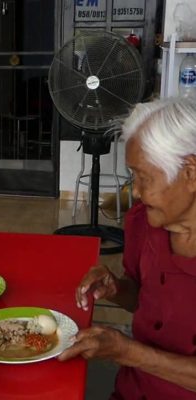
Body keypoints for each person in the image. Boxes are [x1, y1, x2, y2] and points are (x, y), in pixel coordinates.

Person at [58, 97, 196, 399]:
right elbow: (143, 299)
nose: (135, 189)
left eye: (144, 177)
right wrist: (117, 288)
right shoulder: (142, 222)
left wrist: (128, 352)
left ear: (190, 172)